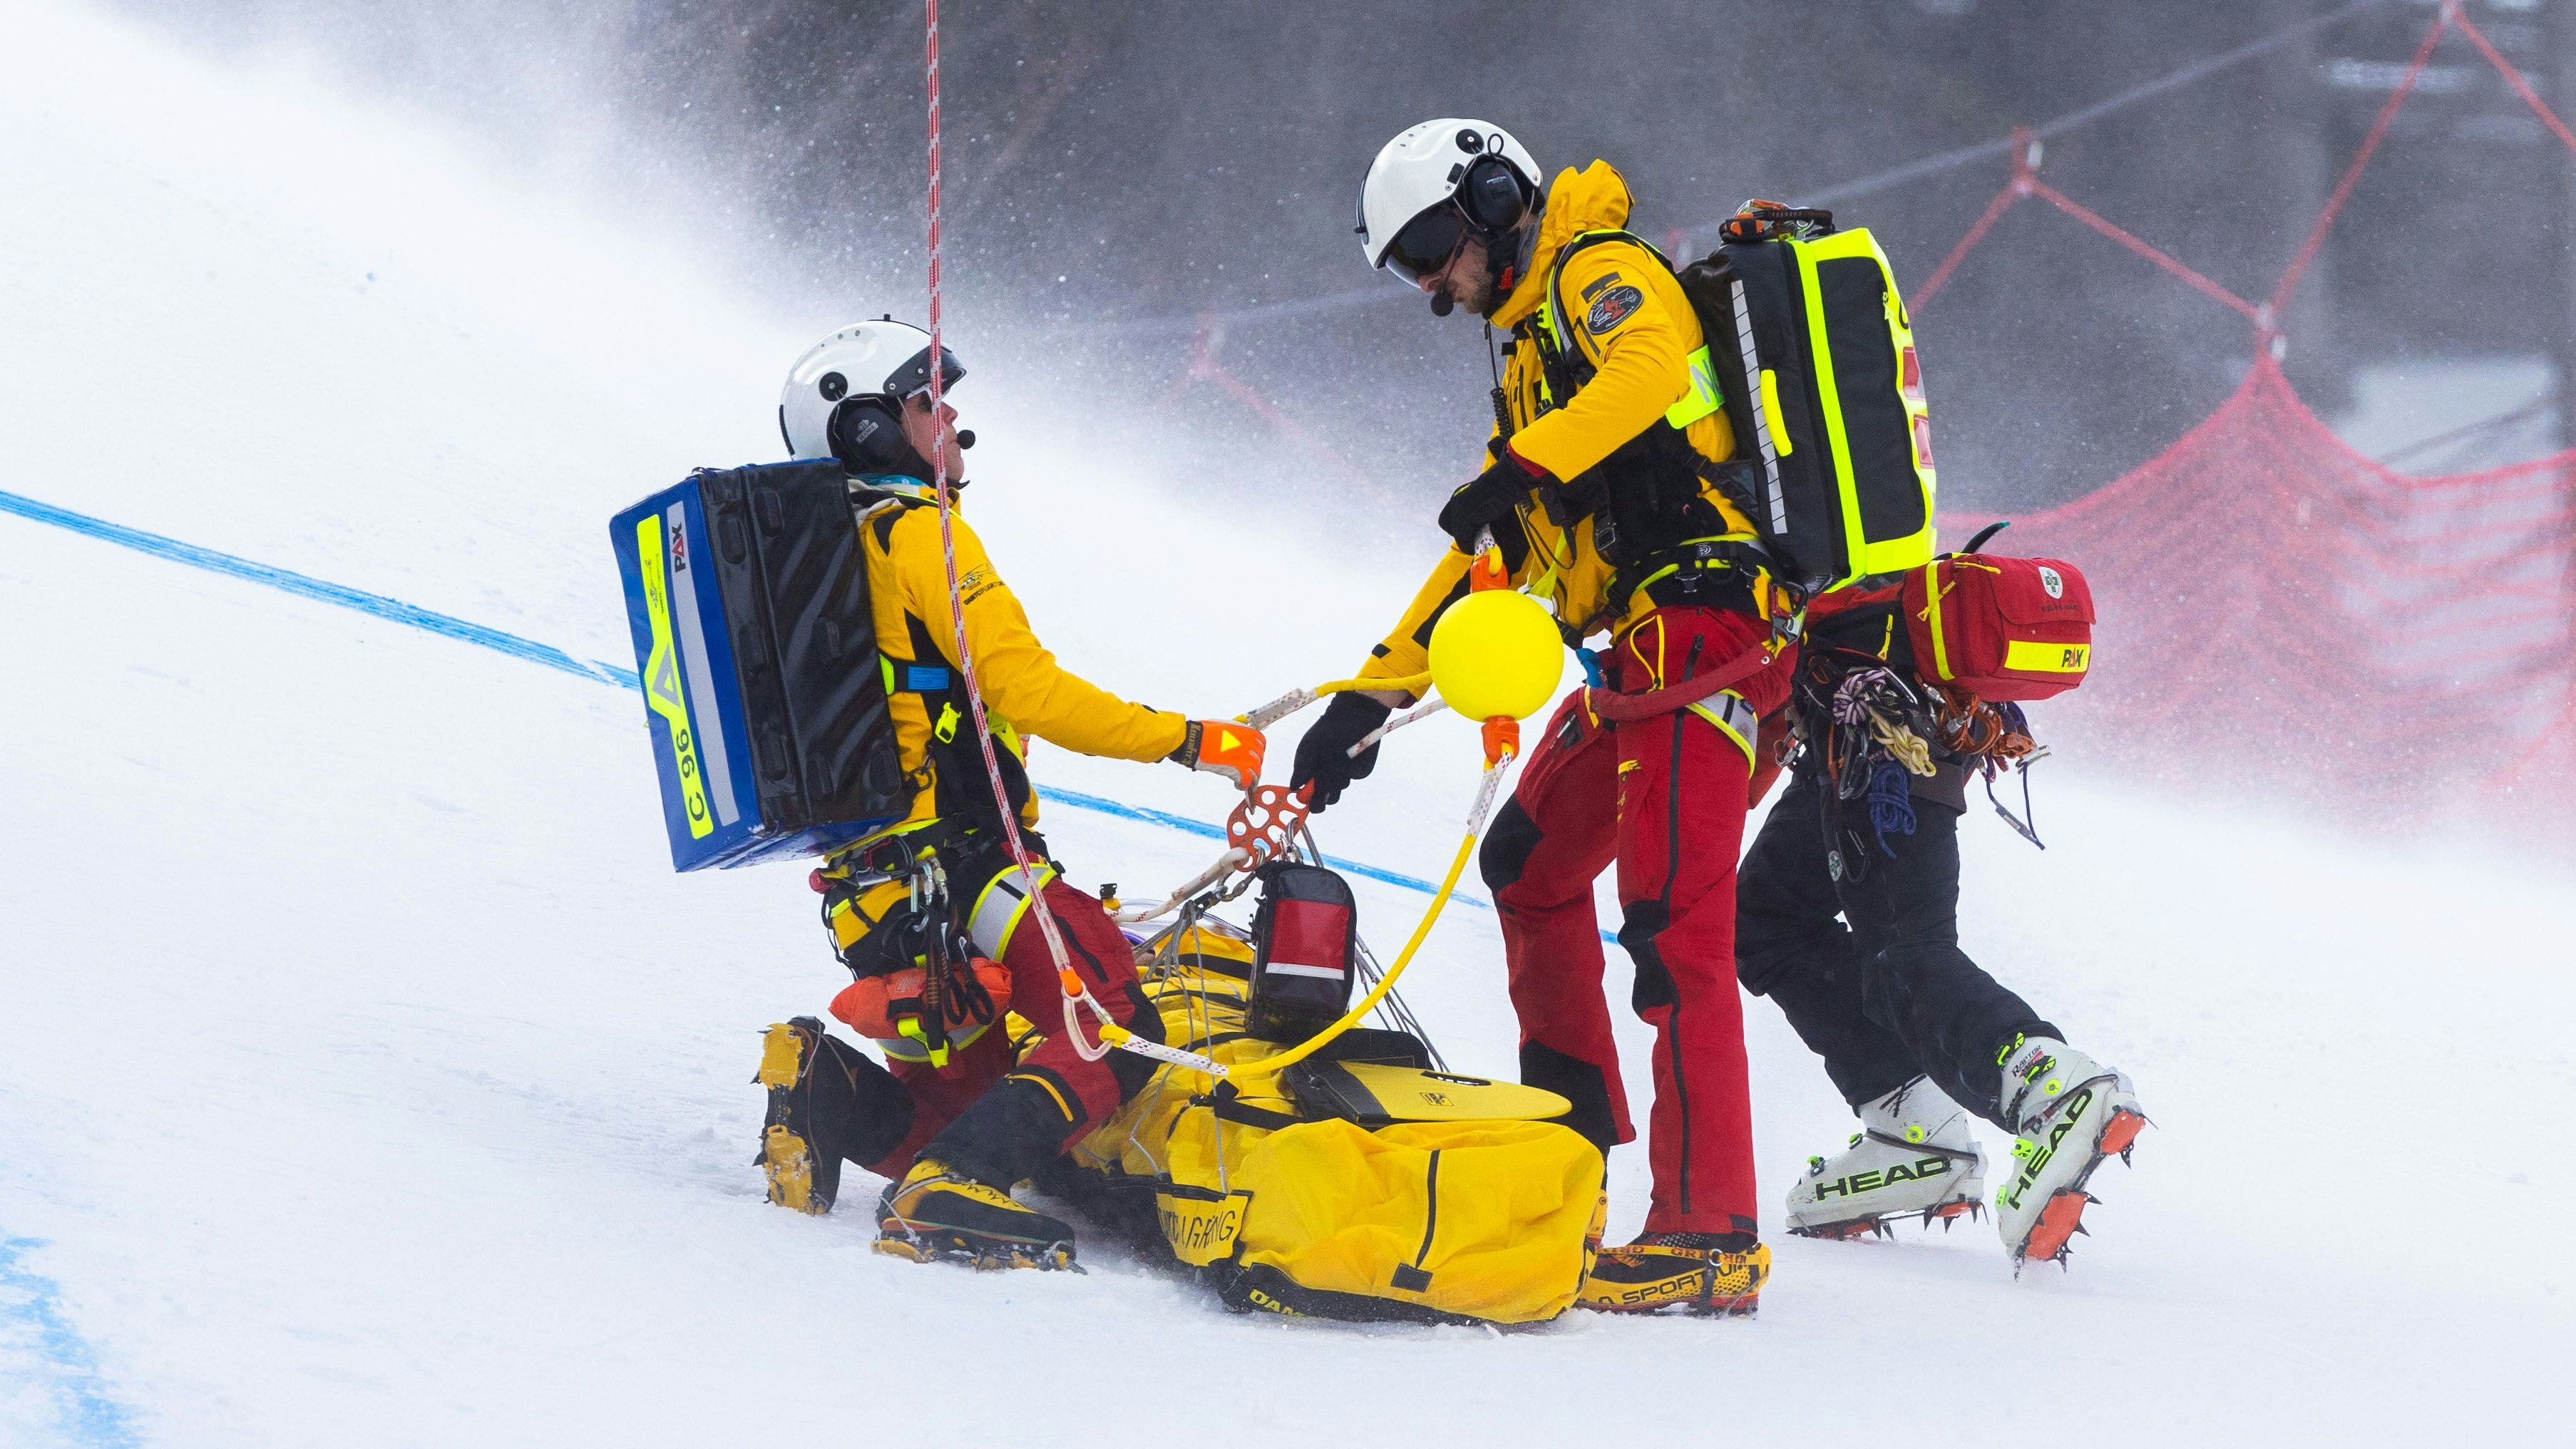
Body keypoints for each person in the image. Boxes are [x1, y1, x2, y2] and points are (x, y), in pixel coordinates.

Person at [1292, 119, 1798, 1315]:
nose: (1431, 284)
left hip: (1710, 628)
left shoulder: (1596, 269)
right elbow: (1492, 553)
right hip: (1641, 648)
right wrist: (1370, 696)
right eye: (1407, 268)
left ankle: (1709, 1229)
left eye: (1431, 247)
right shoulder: (1531, 358)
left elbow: (1648, 371)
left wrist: (1520, 468)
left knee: (1673, 922)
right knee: (1527, 862)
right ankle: (1570, 1154)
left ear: (1490, 196)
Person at [751, 318, 1265, 1271]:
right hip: (969, 868)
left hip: (877, 897)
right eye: (927, 402)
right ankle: (953, 1189)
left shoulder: (826, 559)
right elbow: (1029, 691)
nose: (951, 420)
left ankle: (821, 1089)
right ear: (870, 429)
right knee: (1114, 1027)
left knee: (954, 1108)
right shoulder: (922, 534)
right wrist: (1190, 740)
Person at [1735, 580, 2146, 1270]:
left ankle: (2049, 1087)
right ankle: (1913, 1129)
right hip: (1874, 714)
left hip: (1876, 723)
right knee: (1768, 919)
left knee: (1905, 953)